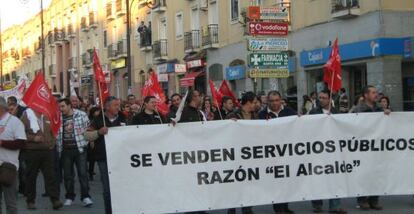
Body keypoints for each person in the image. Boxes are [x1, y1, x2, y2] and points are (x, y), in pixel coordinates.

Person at [309, 90, 347, 214]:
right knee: (317, 177)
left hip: (332, 149)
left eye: (324, 98)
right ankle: (317, 204)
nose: (321, 100)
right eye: (319, 97)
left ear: (329, 99)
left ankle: (335, 205)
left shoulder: (336, 112)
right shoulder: (314, 112)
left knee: (335, 177)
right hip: (318, 149)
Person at [258, 91, 296, 214]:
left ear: (281, 100)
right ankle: (278, 208)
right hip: (271, 155)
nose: (274, 103)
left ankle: (285, 205)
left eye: (276, 100)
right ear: (268, 101)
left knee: (287, 181)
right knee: (276, 182)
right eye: (272, 101)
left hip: (287, 153)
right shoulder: (262, 114)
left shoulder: (290, 112)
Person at [353, 85, 389, 211]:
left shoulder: (380, 109)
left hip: (377, 147)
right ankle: (362, 199)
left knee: (376, 173)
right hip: (363, 147)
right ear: (366, 95)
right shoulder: (358, 109)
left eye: (376, 92)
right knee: (363, 173)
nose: (376, 94)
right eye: (373, 92)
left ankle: (374, 199)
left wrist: (387, 114)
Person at [20, 108, 63, 210]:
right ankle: (30, 201)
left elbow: (54, 130)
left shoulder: (47, 113)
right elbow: (20, 133)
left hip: (47, 151)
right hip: (32, 151)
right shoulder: (26, 115)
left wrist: (52, 143)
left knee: (50, 175)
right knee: (31, 176)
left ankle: (55, 199)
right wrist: (33, 138)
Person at [89, 96, 126, 214]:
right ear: (107, 106)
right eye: (115, 105)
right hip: (104, 158)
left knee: (122, 187)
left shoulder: (123, 117)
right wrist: (98, 132)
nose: (118, 107)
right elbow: (86, 135)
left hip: (121, 158)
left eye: (118, 105)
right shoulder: (98, 119)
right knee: (108, 189)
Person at [57, 98, 94, 207]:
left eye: (63, 106)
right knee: (68, 175)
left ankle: (86, 196)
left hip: (79, 149)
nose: (61, 109)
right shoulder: (58, 117)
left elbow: (89, 129)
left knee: (83, 174)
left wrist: (87, 142)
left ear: (69, 106)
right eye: (60, 107)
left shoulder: (81, 115)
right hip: (65, 150)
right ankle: (69, 197)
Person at [226, 91, 258, 214]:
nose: (256, 105)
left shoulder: (255, 115)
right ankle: (232, 209)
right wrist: (230, 124)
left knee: (248, 184)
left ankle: (247, 209)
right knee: (235, 184)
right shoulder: (232, 115)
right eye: (254, 102)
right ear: (248, 102)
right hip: (235, 156)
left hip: (250, 155)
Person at [0, 97, 27, 214]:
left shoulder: (15, 122)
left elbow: (21, 143)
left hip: (8, 167)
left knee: (10, 202)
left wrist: (2, 143)